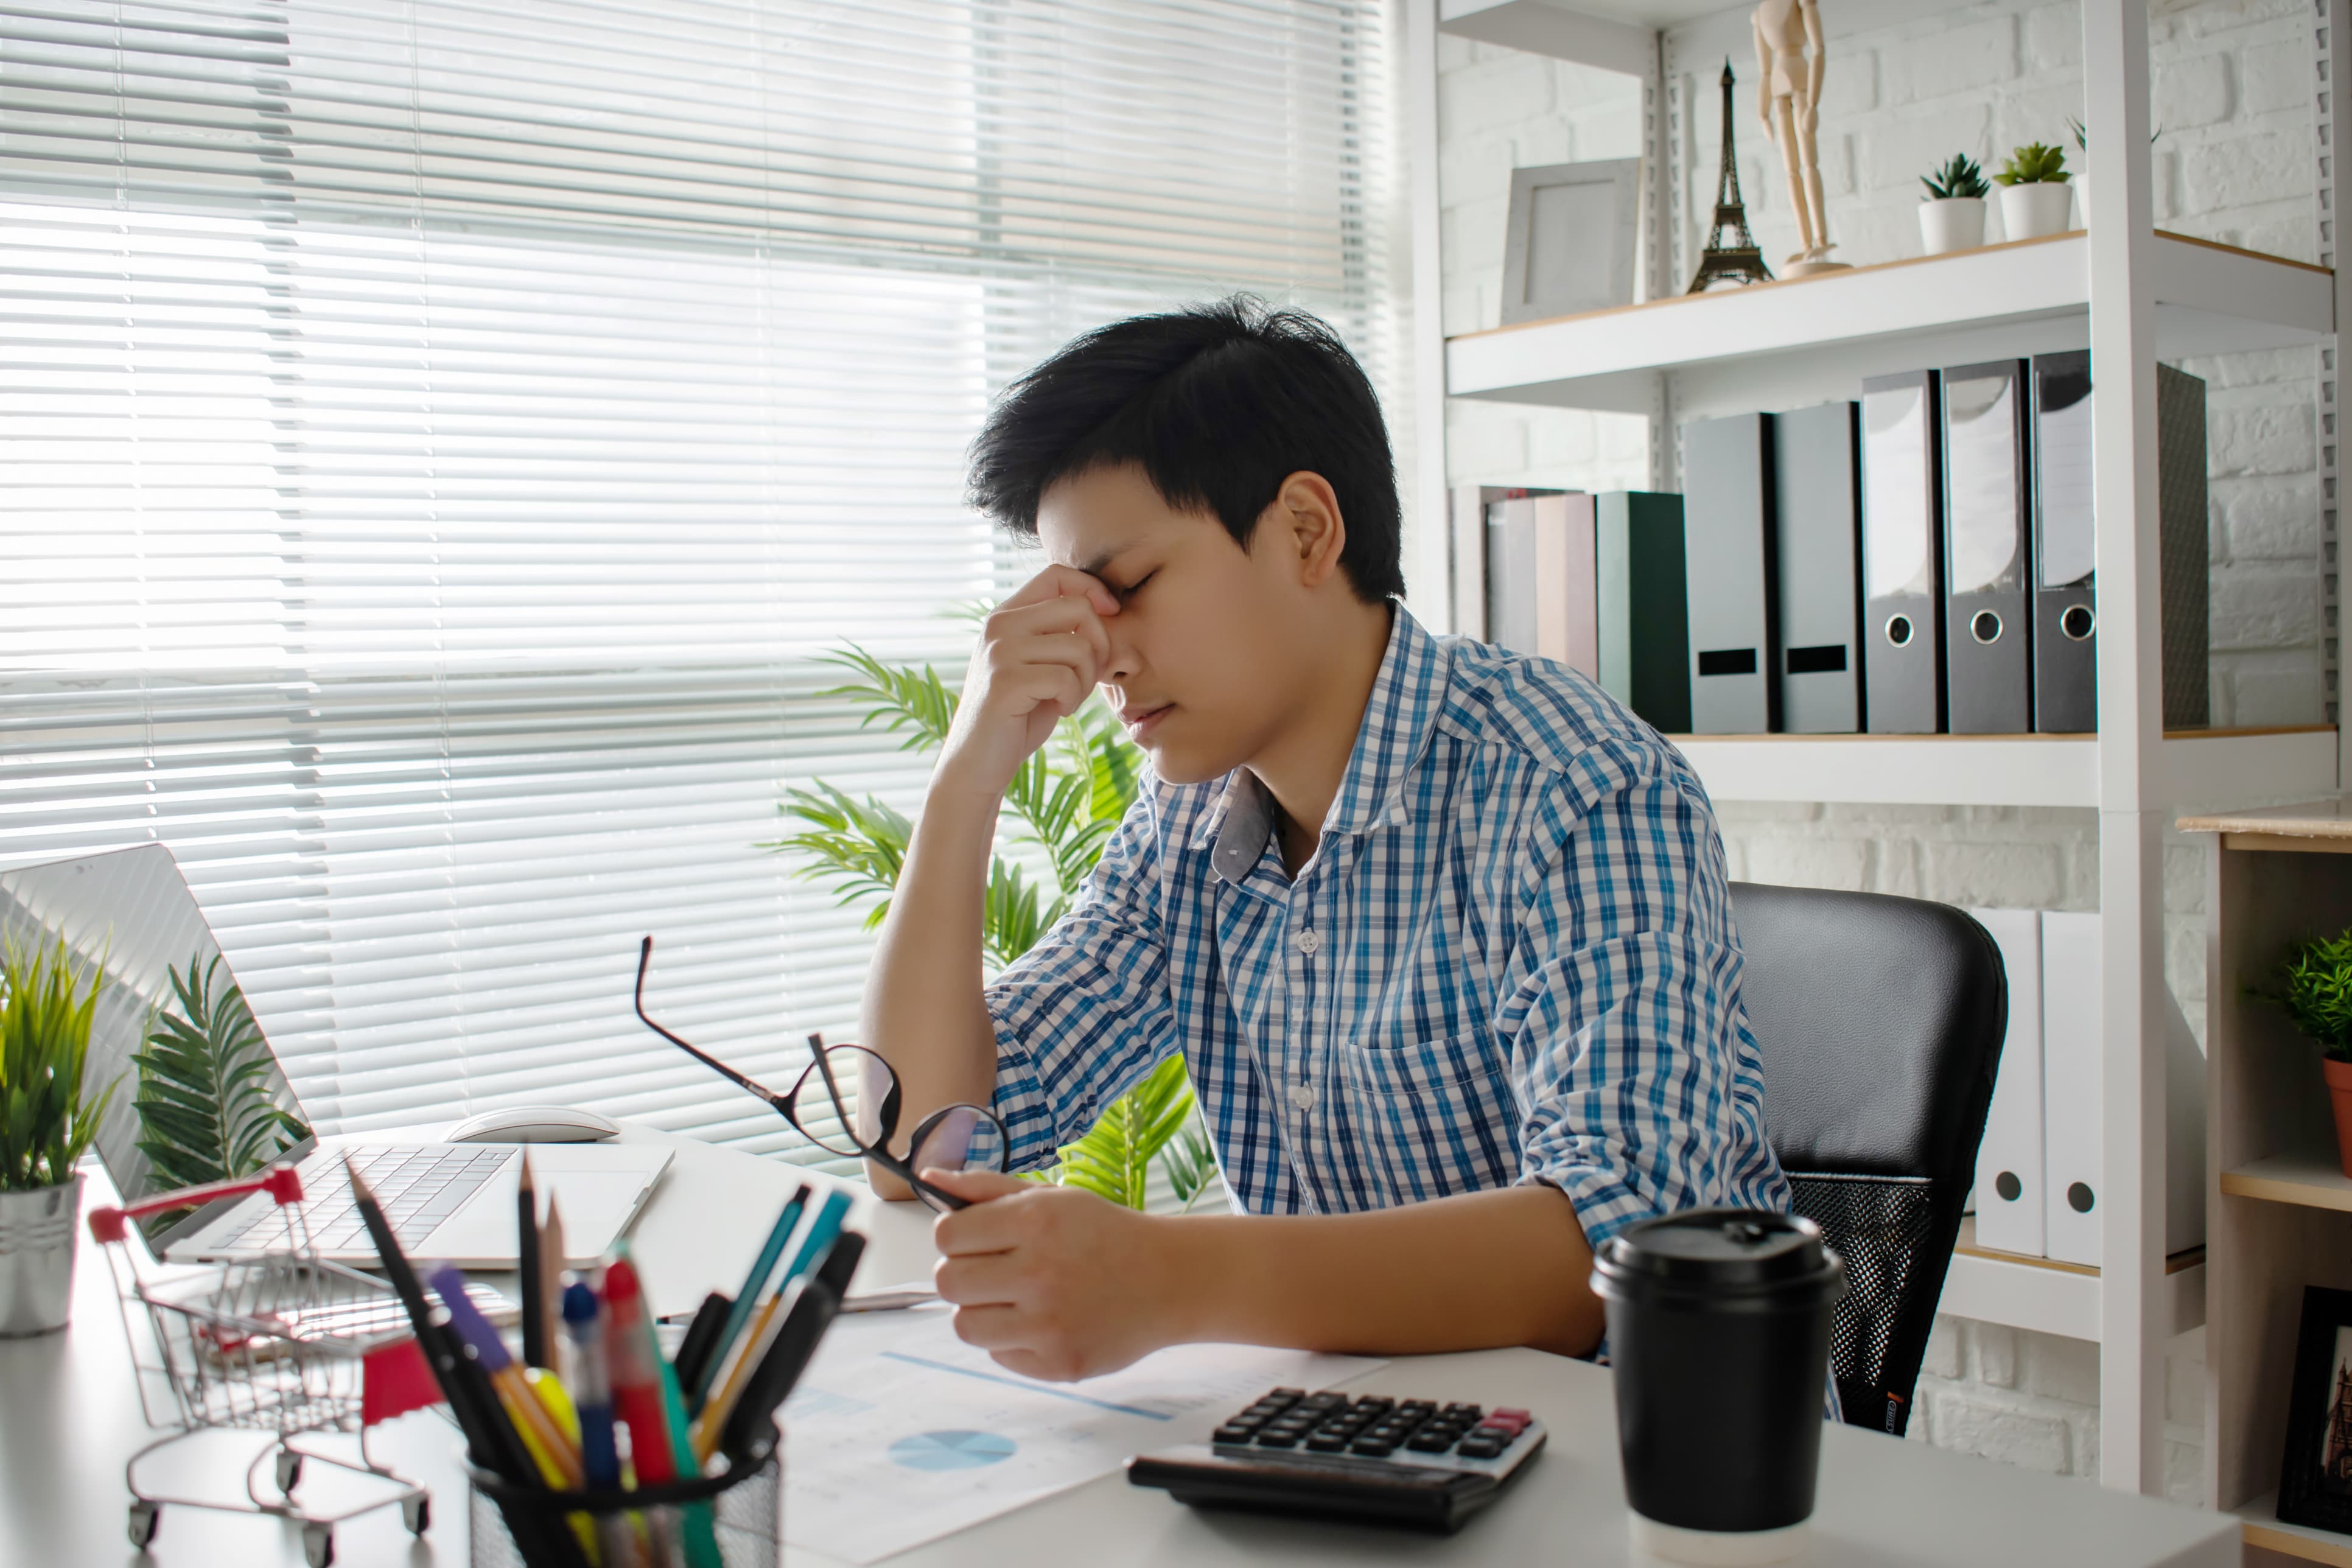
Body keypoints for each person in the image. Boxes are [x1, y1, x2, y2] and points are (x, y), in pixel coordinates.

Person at [860, 295, 1791, 1385]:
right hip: (1359, 1429)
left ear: (1307, 529)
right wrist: (967, 775)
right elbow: (927, 1141)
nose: (1101, 657)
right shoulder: (1188, 823)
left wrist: (1169, 1278)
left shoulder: (1574, 786)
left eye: (1127, 588)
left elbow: (1620, 1244)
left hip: (1643, 1463)